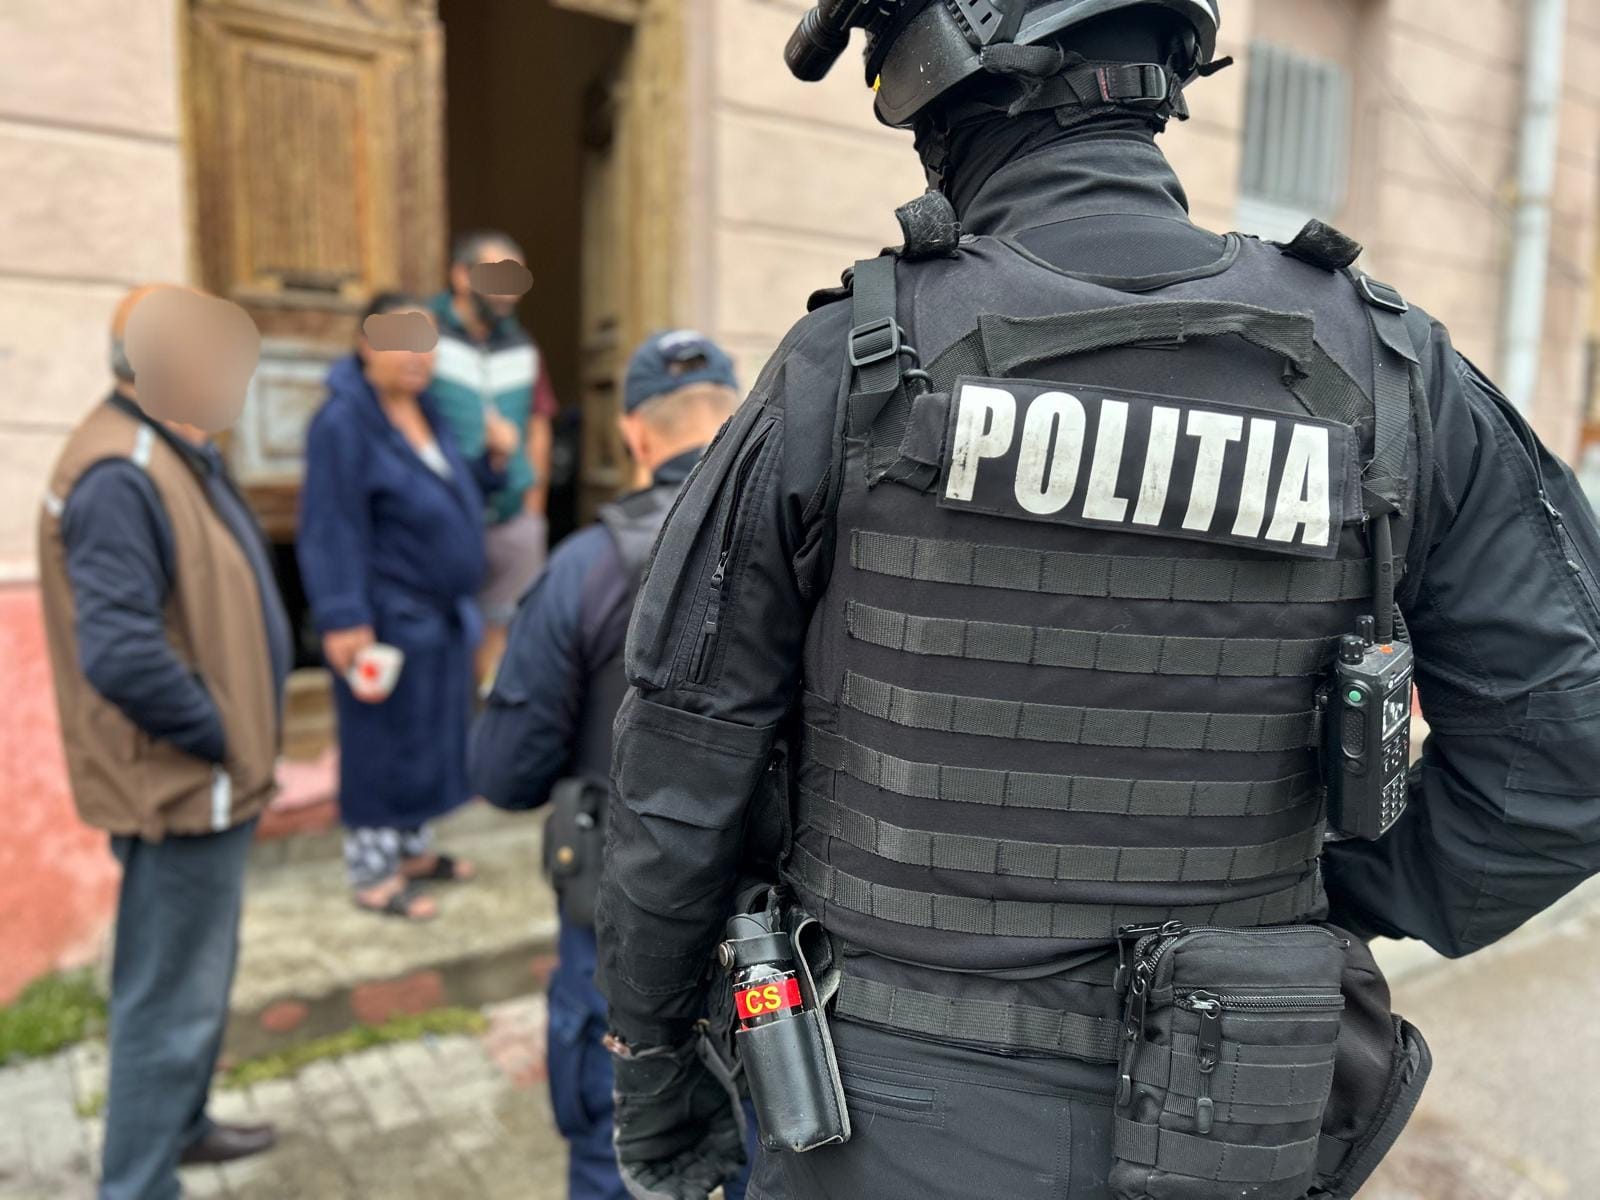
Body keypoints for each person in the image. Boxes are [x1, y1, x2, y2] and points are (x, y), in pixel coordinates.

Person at [594, 3, 1600, 1198]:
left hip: (884, 1118)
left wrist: (656, 1077)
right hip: (1238, 1104)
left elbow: (677, 771)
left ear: (944, 89)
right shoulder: (1395, 371)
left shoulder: (848, 364)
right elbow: (1566, 756)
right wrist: (1305, 918)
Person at [470, 331, 758, 1200]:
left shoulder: (583, 571)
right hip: (773, 933)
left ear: (633, 434)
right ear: (741, 420)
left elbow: (505, 774)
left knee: (618, 1160)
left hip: (620, 935)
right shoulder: (813, 550)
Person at [37, 285, 292, 1198]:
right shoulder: (122, 470)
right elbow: (122, 652)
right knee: (167, 999)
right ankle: (138, 1182)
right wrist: (220, 734)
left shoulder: (175, 449)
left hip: (207, 780)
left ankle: (182, 1128)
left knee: (195, 979)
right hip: (181, 786)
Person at [298, 293, 517, 920]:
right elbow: (330, 525)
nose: (418, 356)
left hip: (438, 615)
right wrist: (342, 615)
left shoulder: (426, 412)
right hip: (383, 614)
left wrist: (493, 463)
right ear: (366, 344)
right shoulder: (343, 422)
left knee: (427, 733)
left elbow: (448, 490)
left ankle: (412, 849)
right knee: (381, 739)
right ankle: (373, 872)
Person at [431, 229, 560, 684]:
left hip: (511, 519)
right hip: (443, 518)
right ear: (460, 275)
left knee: (510, 642)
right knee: (444, 639)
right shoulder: (423, 331)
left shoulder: (524, 346)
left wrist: (533, 509)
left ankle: (491, 724)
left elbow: (539, 424)